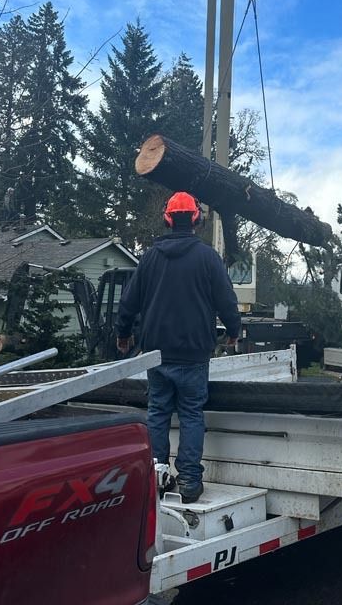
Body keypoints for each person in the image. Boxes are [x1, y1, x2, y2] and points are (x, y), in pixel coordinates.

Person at [115, 191, 241, 503]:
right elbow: (227, 301)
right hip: (194, 355)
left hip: (157, 354)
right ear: (196, 218)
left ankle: (157, 476)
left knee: (158, 412)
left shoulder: (150, 258)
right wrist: (234, 332)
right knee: (191, 414)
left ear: (168, 218)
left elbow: (128, 303)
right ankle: (188, 481)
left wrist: (123, 335)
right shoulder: (208, 257)